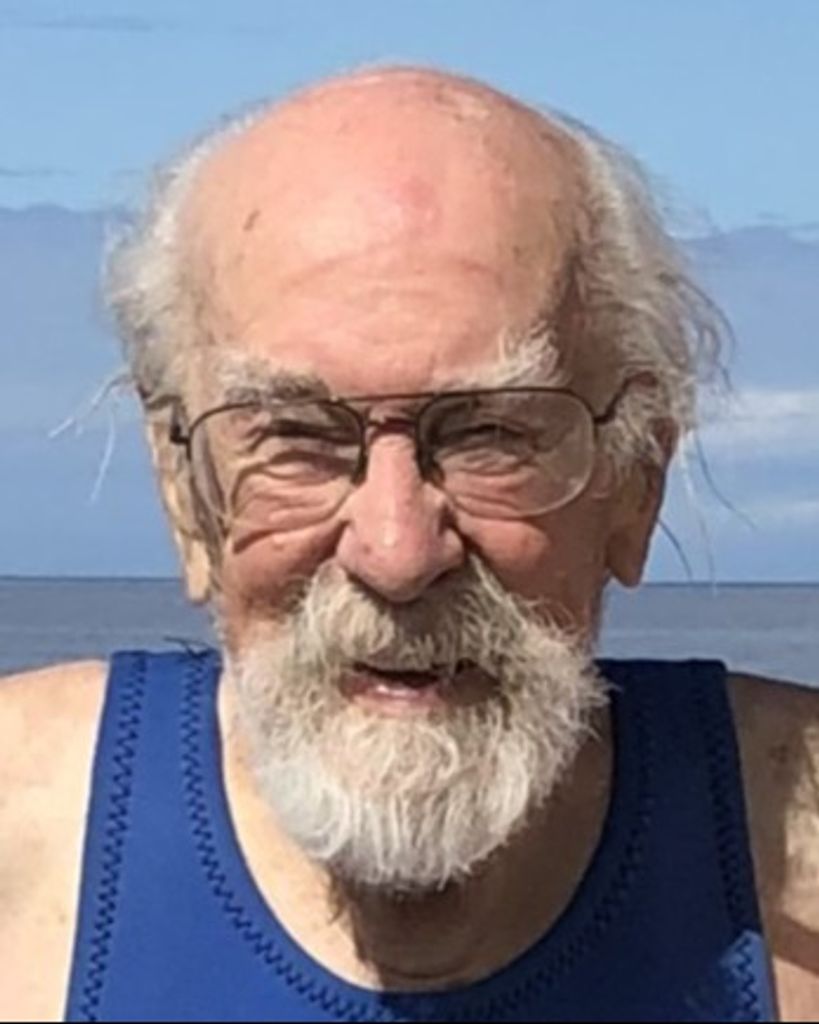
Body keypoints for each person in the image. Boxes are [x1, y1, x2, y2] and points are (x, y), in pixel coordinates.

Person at [1, 66, 817, 1022]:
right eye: (296, 439)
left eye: (491, 435)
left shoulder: (786, 859)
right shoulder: (30, 843)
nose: (396, 553)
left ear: (635, 483)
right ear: (184, 489)